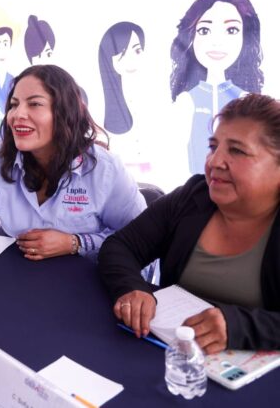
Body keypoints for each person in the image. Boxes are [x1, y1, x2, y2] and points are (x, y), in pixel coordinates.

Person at [99, 94, 280, 353]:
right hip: (175, 362)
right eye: (213, 147)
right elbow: (120, 246)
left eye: (237, 150)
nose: (215, 162)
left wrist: (238, 327)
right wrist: (132, 288)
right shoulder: (194, 195)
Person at [0, 65, 146, 262]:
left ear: (65, 112)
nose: (17, 114)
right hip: (28, 279)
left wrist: (75, 243)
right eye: (13, 104)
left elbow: (139, 238)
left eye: (34, 104)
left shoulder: (106, 170)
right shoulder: (0, 158)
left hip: (94, 282)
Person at [170, 0, 263, 175]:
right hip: (194, 197)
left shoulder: (248, 102)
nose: (216, 41)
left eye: (231, 30)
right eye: (204, 30)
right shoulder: (186, 102)